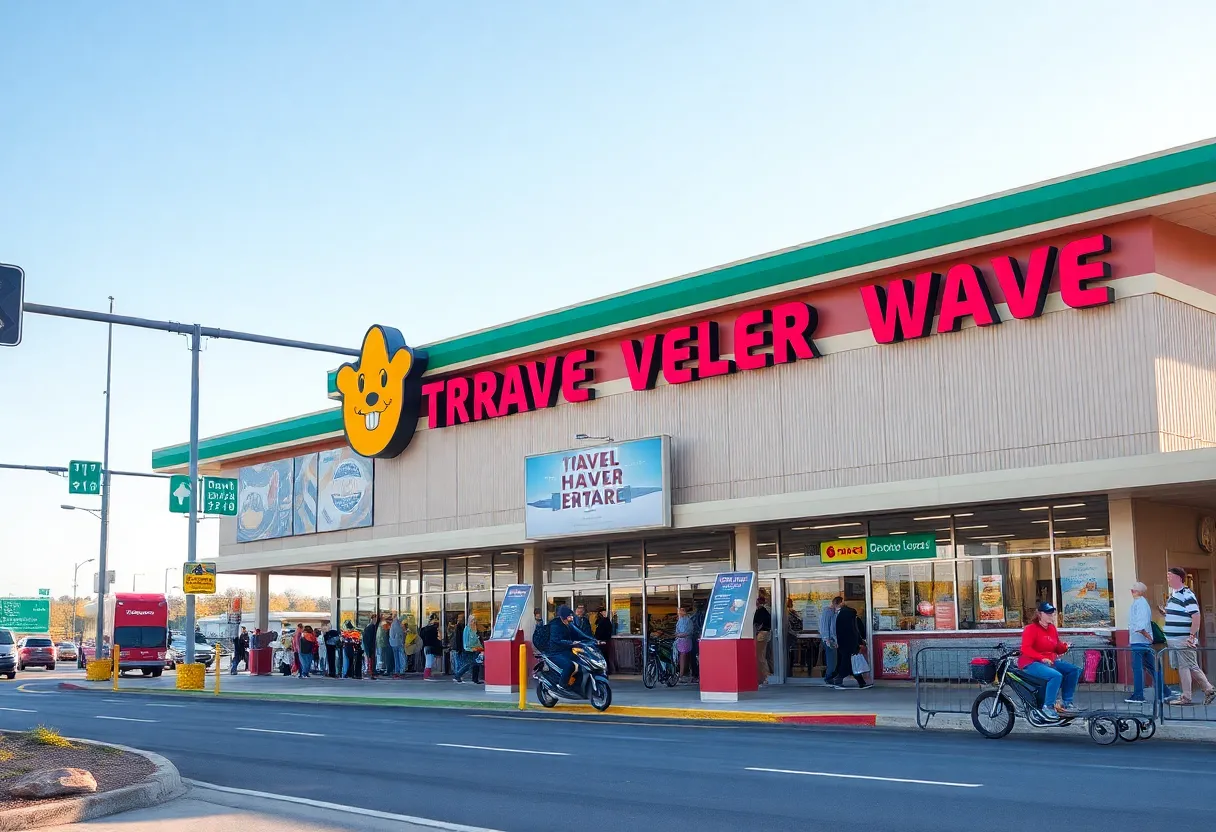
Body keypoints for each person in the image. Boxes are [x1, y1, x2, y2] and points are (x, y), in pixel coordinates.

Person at [1160, 567, 1216, 706]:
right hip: (1176, 638)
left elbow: (1196, 616)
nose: (1168, 579)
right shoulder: (1174, 594)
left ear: (1179, 578)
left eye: (1170, 577)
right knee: (1186, 666)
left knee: (1188, 665)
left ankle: (1201, 691)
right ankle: (1195, 693)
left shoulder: (1187, 594)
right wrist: (1167, 614)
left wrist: (1192, 636)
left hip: (1182, 638)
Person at [1018, 601, 1079, 720]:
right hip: (1031, 662)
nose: (1052, 615)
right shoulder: (1030, 629)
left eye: (1052, 613)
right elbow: (1025, 648)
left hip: (1049, 661)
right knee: (1055, 676)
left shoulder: (1052, 629)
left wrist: (1065, 647)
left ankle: (1066, 702)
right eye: (1048, 613)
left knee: (1073, 670)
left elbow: (1056, 646)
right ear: (1040, 614)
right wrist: (1041, 658)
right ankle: (1048, 706)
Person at [1126, 582, 1169, 703]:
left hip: (1139, 642)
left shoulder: (1139, 604)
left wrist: (1147, 636)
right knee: (1153, 668)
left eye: (1133, 590)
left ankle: (1139, 695)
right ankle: (1165, 692)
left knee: (1138, 669)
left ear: (1138, 592)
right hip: (1142, 642)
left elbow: (1140, 625)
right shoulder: (1142, 603)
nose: (1131, 592)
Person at [826, 602, 871, 689]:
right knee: (848, 663)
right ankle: (839, 679)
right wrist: (859, 642)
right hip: (851, 644)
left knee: (849, 662)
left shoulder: (839, 617)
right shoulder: (851, 617)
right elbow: (855, 631)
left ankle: (860, 682)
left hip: (842, 643)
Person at [546, 605, 581, 687]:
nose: (571, 618)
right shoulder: (555, 625)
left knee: (582, 661)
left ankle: (576, 683)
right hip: (555, 652)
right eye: (569, 616)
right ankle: (562, 685)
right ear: (564, 616)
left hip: (565, 651)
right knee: (569, 666)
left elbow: (579, 634)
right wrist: (571, 643)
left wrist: (593, 641)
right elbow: (557, 640)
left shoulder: (568, 624)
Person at [454, 615, 485, 684]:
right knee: (470, 664)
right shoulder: (467, 629)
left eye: (474, 620)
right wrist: (467, 648)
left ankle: (475, 679)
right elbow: (465, 640)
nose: (474, 621)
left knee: (476, 664)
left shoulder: (475, 629)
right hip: (469, 649)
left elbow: (477, 639)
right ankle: (458, 675)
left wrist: (481, 648)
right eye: (472, 620)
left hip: (476, 649)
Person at [818, 597, 841, 684]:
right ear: (836, 603)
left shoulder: (833, 612)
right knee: (831, 660)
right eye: (840, 604)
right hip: (829, 639)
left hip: (833, 639)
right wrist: (827, 639)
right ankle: (828, 677)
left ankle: (831, 676)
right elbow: (824, 627)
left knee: (834, 660)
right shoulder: (827, 612)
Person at [753, 594, 772, 687]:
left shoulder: (761, 611)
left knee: (760, 656)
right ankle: (764, 677)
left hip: (762, 634)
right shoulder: (765, 611)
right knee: (762, 655)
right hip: (764, 634)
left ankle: (765, 677)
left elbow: (759, 624)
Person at [675, 605, 695, 684]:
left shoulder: (688, 620)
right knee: (682, 656)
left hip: (685, 640)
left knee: (684, 656)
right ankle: (682, 673)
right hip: (681, 640)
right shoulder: (680, 620)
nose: (679, 612)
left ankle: (682, 674)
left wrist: (680, 635)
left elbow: (689, 631)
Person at [420, 613, 443, 680]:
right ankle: (426, 676)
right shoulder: (435, 629)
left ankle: (427, 674)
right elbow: (440, 638)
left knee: (428, 661)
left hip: (426, 646)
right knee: (429, 662)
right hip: (432, 647)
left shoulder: (423, 629)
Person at [593, 608, 615, 676]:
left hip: (604, 640)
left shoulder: (605, 620)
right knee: (603, 655)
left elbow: (607, 631)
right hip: (601, 640)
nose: (605, 613)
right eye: (604, 612)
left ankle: (606, 669)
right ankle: (605, 669)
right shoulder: (600, 621)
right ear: (601, 613)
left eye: (605, 612)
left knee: (604, 655)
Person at [389, 613, 406, 678]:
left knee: (396, 658)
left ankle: (397, 671)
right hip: (399, 643)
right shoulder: (398, 624)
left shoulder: (393, 624)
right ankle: (401, 671)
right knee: (401, 657)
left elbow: (391, 635)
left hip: (393, 644)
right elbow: (400, 634)